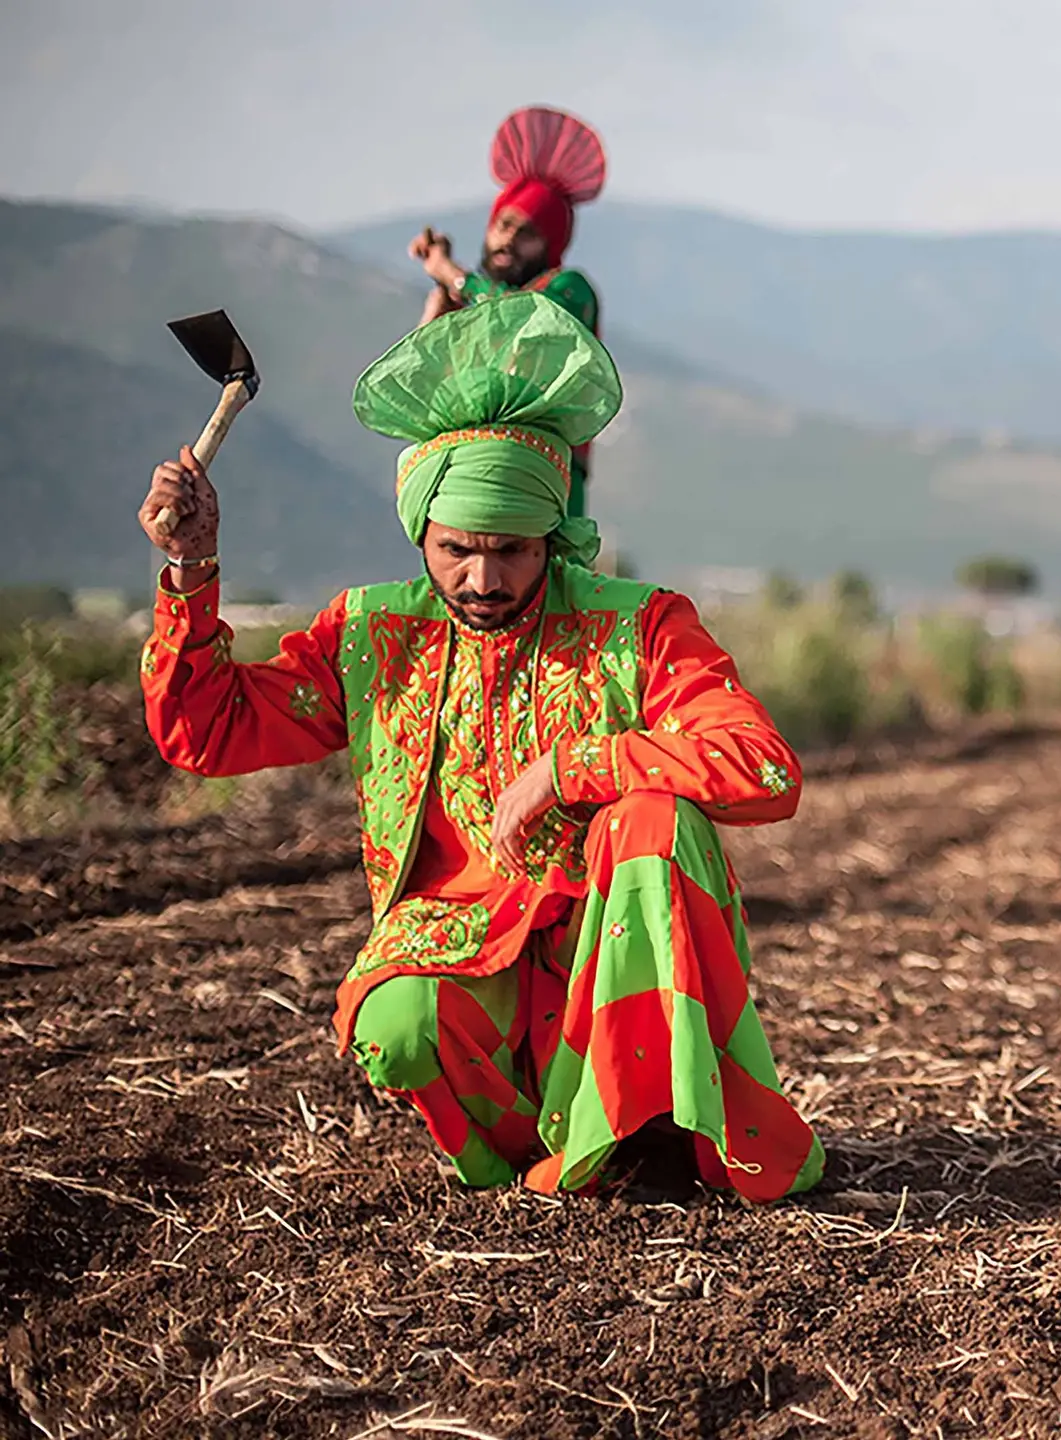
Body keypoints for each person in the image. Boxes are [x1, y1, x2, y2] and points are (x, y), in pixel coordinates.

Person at [137, 293, 820, 1201]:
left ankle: (654, 1125)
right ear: (420, 529)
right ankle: (543, 1171)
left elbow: (763, 766)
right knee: (398, 1024)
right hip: (462, 951)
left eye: (513, 551)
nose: (484, 579)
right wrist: (192, 569)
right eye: (458, 550)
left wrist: (580, 767)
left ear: (554, 539)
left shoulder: (640, 627)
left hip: (601, 954)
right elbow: (208, 729)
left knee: (652, 824)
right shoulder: (373, 636)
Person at [409, 106, 610, 517]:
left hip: (546, 482)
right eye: (504, 225)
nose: (509, 240)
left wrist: (454, 275)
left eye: (528, 233)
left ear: (552, 244)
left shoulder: (569, 292)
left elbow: (521, 318)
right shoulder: (476, 303)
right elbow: (422, 383)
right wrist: (441, 303)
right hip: (469, 479)